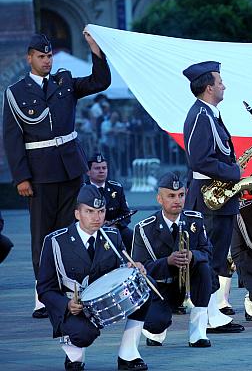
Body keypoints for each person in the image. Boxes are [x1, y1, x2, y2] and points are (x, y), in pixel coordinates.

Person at [3, 31, 110, 318]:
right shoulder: (16, 92)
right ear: (30, 58)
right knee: (43, 235)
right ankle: (43, 294)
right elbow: (13, 138)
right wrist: (21, 177)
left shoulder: (64, 83)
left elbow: (101, 82)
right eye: (41, 56)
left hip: (71, 168)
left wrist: (95, 50)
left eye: (49, 55)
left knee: (70, 231)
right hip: (40, 173)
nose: (47, 61)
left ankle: (70, 290)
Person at [37, 185, 163, 371]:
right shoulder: (55, 241)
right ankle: (74, 355)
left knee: (144, 284)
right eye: (89, 212)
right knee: (84, 335)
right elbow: (44, 288)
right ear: (77, 214)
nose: (97, 218)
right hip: (74, 306)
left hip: (104, 303)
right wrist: (66, 305)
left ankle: (128, 355)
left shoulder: (112, 235)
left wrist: (132, 268)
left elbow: (120, 270)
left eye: (101, 211)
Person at [181, 61, 244, 334]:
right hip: (209, 198)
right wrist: (234, 171)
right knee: (208, 258)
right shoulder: (200, 116)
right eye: (220, 82)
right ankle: (208, 315)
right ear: (209, 87)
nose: (223, 85)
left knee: (216, 257)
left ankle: (212, 312)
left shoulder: (209, 114)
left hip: (217, 197)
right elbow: (200, 160)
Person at [131, 172, 216, 348]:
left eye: (181, 195)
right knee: (156, 324)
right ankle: (155, 331)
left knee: (203, 267)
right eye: (171, 196)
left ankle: (198, 333)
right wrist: (167, 262)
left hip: (188, 284)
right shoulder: (144, 228)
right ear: (159, 199)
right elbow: (138, 271)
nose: (177, 200)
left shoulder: (195, 221)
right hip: (159, 288)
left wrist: (193, 256)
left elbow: (208, 252)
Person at [85, 153, 133, 249]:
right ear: (88, 172)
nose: (101, 171)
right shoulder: (82, 190)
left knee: (130, 235)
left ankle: (132, 262)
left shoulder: (116, 188)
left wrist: (116, 225)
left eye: (104, 168)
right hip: (89, 230)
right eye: (97, 168)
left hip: (114, 229)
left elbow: (126, 214)